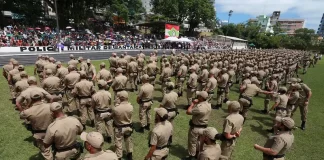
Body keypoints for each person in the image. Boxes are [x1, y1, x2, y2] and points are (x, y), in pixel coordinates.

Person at [19, 91, 54, 159]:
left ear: (31, 99)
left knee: (46, 152)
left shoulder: (28, 111)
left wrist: (28, 105)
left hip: (39, 134)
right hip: (53, 130)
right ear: (41, 97)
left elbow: (21, 116)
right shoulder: (50, 106)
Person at [107, 91, 133, 159]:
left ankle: (119, 156)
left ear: (120, 98)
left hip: (119, 128)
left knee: (118, 143)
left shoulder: (116, 108)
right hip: (128, 126)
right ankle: (130, 153)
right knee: (128, 140)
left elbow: (111, 116)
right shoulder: (131, 107)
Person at [186, 91, 211, 159]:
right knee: (199, 142)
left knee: (192, 142)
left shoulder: (200, 107)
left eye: (199, 96)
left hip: (196, 127)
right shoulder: (208, 105)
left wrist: (193, 103)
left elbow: (188, 112)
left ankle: (192, 156)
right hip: (204, 127)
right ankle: (197, 154)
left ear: (201, 97)